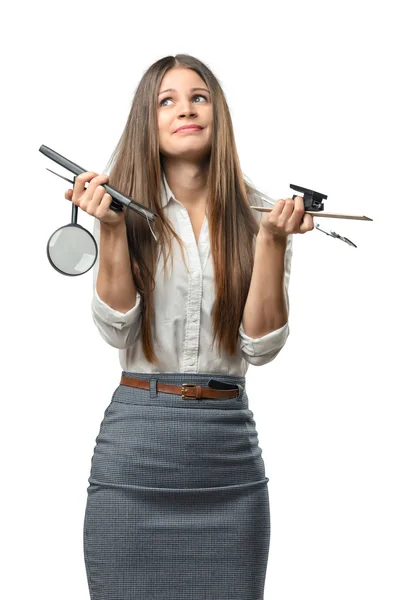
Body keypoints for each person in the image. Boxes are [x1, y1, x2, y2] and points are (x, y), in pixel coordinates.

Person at [65, 54, 314, 600]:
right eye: (167, 100)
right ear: (146, 121)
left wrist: (271, 242)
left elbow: (260, 346)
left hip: (226, 456)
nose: (186, 109)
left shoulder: (261, 216)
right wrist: (109, 230)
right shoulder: (122, 211)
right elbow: (116, 330)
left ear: (217, 113)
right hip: (135, 455)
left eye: (199, 97)